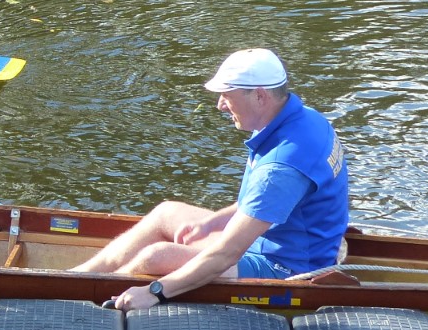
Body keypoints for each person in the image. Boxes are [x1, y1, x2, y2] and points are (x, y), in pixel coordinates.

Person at [76, 48, 348, 311]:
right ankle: (78, 276)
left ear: (260, 96)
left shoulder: (281, 166)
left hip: (286, 269)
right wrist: (211, 223)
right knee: (166, 213)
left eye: (227, 96)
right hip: (282, 241)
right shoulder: (307, 120)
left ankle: (94, 297)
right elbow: (267, 200)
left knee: (156, 257)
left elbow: (226, 254)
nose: (220, 105)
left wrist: (154, 292)